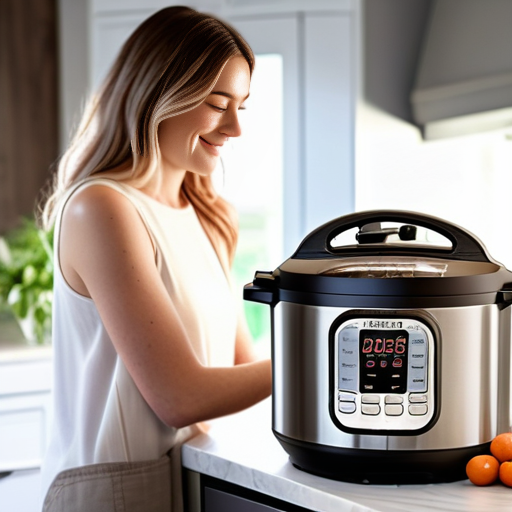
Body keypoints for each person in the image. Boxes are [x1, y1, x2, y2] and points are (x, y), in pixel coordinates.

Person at [39, 6, 272, 512]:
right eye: (217, 103)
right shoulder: (101, 208)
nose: (235, 127)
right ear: (158, 96)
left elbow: (243, 365)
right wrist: (317, 356)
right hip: (118, 490)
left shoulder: (207, 215)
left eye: (242, 106)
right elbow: (180, 397)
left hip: (191, 475)